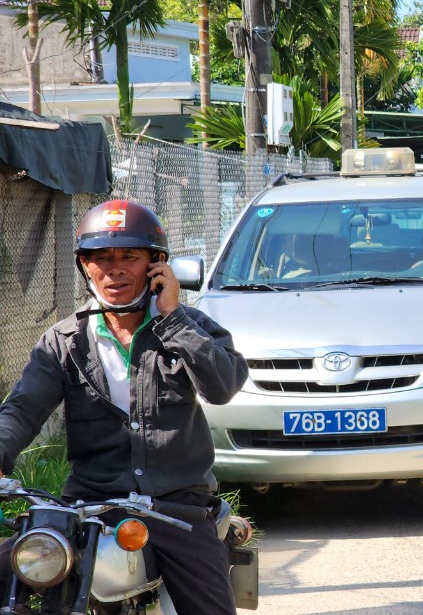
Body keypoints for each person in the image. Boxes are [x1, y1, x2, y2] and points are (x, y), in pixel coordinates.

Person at [0, 200, 249, 615]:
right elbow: (23, 408)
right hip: (90, 506)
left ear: (156, 265)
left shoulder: (189, 326)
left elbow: (223, 386)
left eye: (129, 257)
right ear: (85, 265)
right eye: (102, 258)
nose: (114, 270)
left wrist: (172, 318)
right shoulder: (64, 341)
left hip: (176, 508)